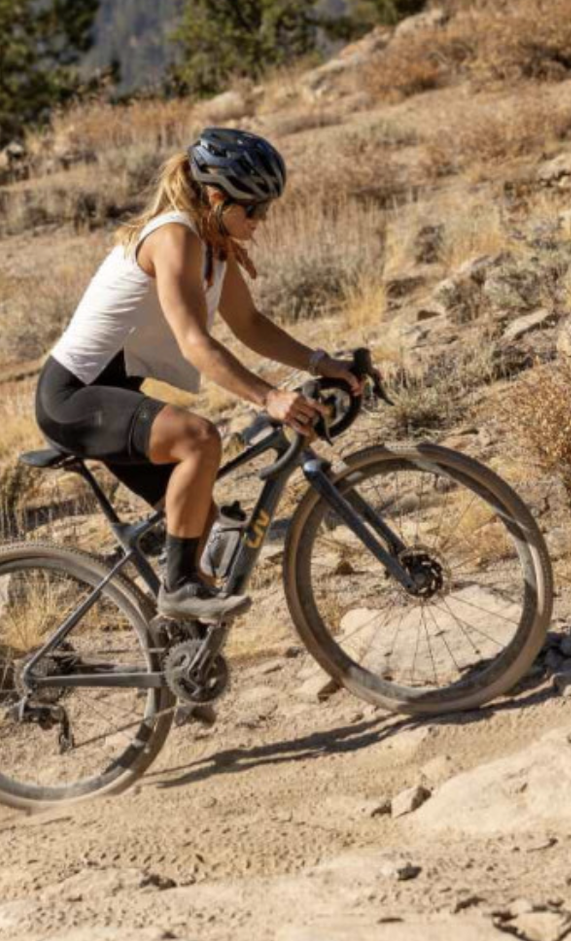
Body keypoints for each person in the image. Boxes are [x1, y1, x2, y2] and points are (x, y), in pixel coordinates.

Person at [35, 127, 360, 620]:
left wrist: (321, 363)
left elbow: (249, 325)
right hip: (74, 397)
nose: (260, 220)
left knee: (202, 521)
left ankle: (183, 662)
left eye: (266, 209)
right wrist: (268, 397)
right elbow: (194, 342)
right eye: (252, 208)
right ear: (215, 196)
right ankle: (179, 590)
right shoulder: (174, 236)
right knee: (200, 439)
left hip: (112, 395)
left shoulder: (213, 243)